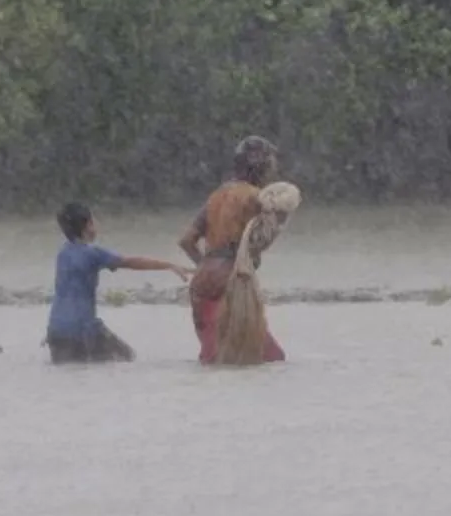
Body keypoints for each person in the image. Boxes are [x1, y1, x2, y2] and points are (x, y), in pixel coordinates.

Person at [178, 136, 288, 365]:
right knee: (268, 358)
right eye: (270, 165)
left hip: (201, 282)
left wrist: (206, 265)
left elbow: (186, 240)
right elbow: (265, 235)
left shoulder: (216, 196)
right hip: (232, 280)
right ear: (260, 166)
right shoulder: (254, 196)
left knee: (212, 359)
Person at [46, 201, 188, 364]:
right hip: (83, 330)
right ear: (88, 225)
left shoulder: (63, 253)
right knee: (127, 358)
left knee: (72, 374)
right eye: (94, 220)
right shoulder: (93, 254)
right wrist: (169, 265)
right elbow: (132, 262)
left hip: (55, 332)